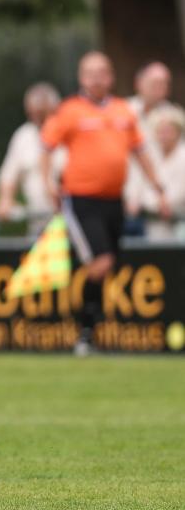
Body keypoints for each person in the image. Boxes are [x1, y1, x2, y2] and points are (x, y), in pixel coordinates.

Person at [41, 51, 170, 356]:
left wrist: (158, 190)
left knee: (109, 263)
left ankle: (92, 329)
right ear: (81, 77)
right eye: (91, 72)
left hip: (114, 200)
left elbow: (140, 152)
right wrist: (48, 183)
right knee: (101, 263)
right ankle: (85, 330)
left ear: (111, 77)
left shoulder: (123, 110)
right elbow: (46, 147)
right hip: (82, 199)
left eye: (103, 72)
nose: (97, 78)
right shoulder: (70, 110)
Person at [0, 82, 65, 234]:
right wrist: (5, 198)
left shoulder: (70, 133)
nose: (38, 119)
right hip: (38, 225)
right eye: (33, 114)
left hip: (71, 222)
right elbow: (8, 175)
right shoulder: (23, 136)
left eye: (43, 113)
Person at [124, 62, 174, 231]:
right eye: (155, 83)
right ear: (139, 83)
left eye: (164, 83)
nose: (160, 88)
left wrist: (163, 197)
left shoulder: (174, 118)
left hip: (158, 207)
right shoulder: (122, 112)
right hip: (122, 201)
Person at [128, 105, 185, 240]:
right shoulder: (149, 154)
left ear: (178, 132)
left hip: (178, 219)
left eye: (169, 131)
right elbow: (136, 181)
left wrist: (166, 203)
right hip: (146, 219)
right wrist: (134, 200)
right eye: (161, 131)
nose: (164, 136)